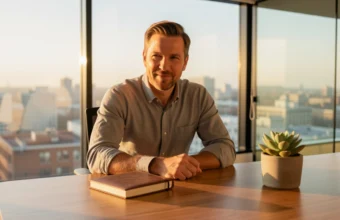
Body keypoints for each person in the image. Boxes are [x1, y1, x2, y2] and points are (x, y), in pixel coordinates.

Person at [87, 20, 236, 180]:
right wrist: (155, 165)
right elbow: (97, 154)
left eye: (174, 58)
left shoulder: (197, 95)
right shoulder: (120, 95)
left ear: (185, 62)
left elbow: (225, 147)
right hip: (131, 192)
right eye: (156, 56)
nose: (164, 66)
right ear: (144, 58)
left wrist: (184, 164)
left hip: (179, 190)